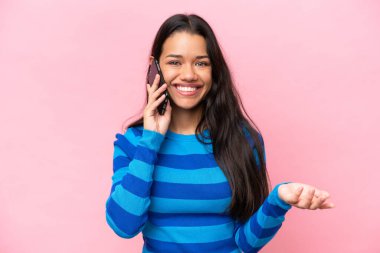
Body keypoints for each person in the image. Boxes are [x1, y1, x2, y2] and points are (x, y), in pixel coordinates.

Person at [105, 13, 334, 253]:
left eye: (201, 63)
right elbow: (124, 226)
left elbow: (246, 243)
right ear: (155, 66)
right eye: (174, 62)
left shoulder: (242, 140)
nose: (189, 74)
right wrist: (151, 141)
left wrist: (278, 200)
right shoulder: (133, 144)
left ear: (214, 70)